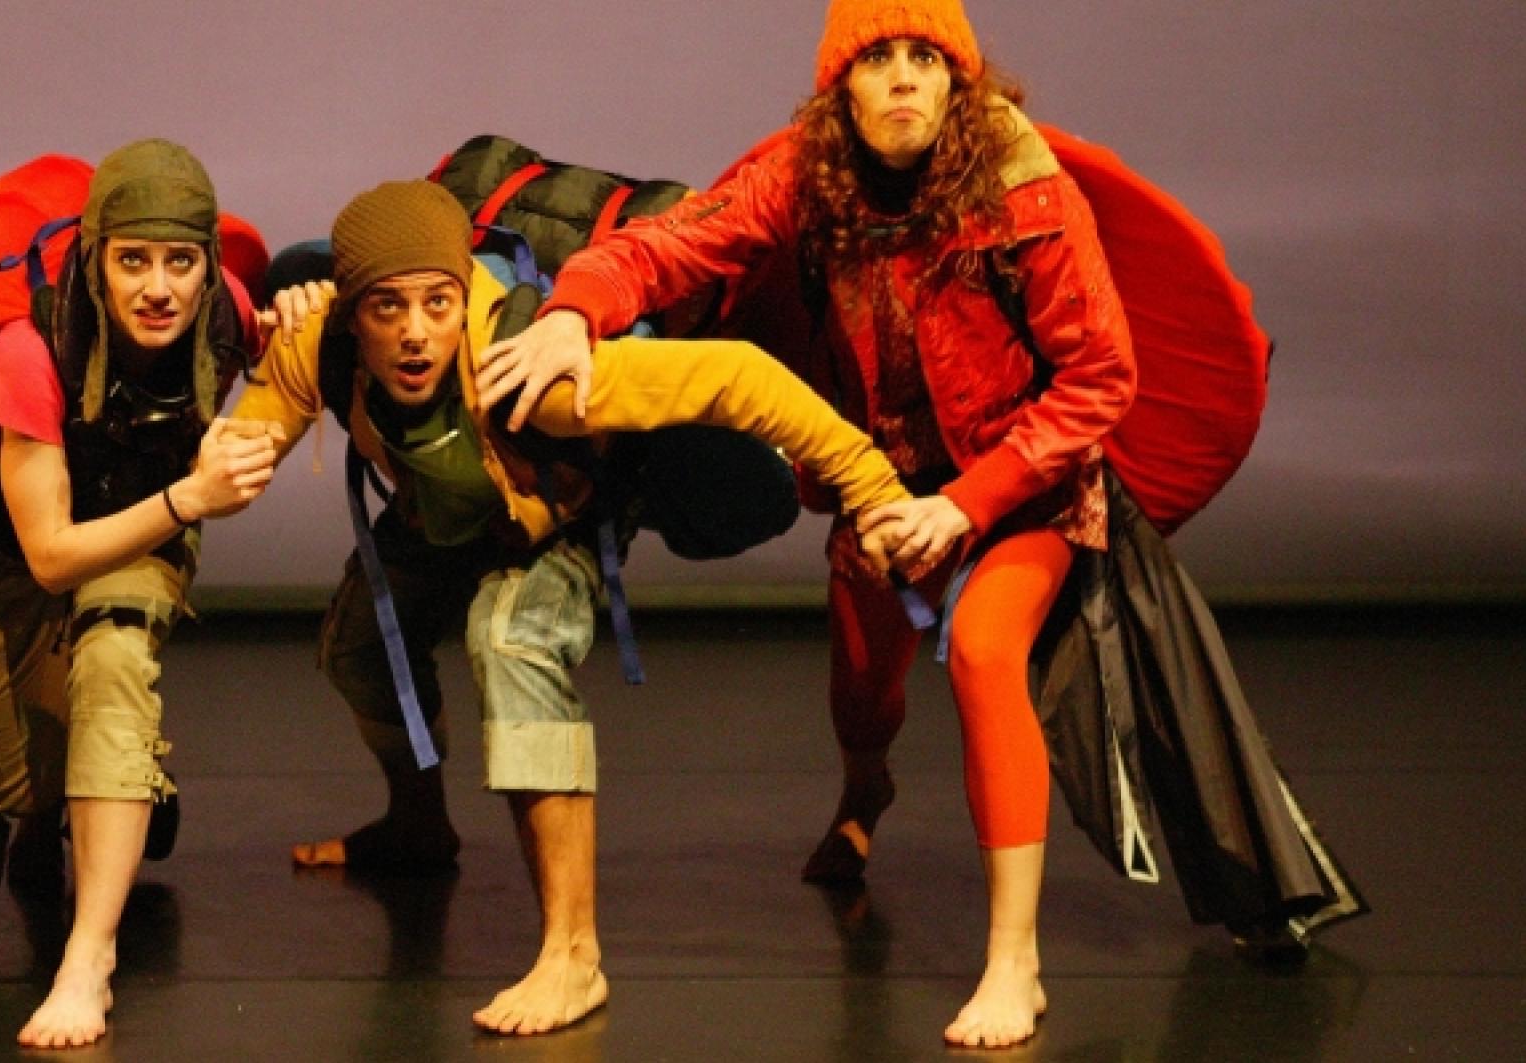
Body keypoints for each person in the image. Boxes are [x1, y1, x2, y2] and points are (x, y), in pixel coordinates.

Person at [481, 0, 1136, 1047]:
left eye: (925, 58)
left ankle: (1014, 962)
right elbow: (667, 246)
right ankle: (864, 790)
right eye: (877, 59)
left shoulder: (1024, 190)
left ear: (959, 82)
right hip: (887, 478)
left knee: (980, 650)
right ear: (841, 89)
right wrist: (571, 310)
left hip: (1019, 480)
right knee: (863, 689)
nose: (903, 79)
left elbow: (1100, 375)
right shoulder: (805, 174)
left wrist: (967, 503)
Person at [232, 179, 913, 1035]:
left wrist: (872, 484)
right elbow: (236, 448)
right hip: (448, 505)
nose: (413, 333)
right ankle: (418, 824)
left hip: (559, 511)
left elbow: (736, 379)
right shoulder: (320, 343)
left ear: (461, 296)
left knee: (510, 640)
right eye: (387, 309)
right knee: (357, 646)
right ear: (353, 313)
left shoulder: (534, 373)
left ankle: (573, 954)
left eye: (437, 303)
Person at [0, 138, 280, 1049]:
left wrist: (310, 313)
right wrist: (192, 496)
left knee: (115, 658)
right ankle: (93, 790)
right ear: (96, 260)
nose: (159, 288)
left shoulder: (225, 313)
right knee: (25, 780)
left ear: (209, 263)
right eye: (134, 261)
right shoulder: (32, 349)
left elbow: (289, 353)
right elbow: (50, 556)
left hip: (143, 529)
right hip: (11, 553)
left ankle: (88, 957)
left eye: (181, 262)